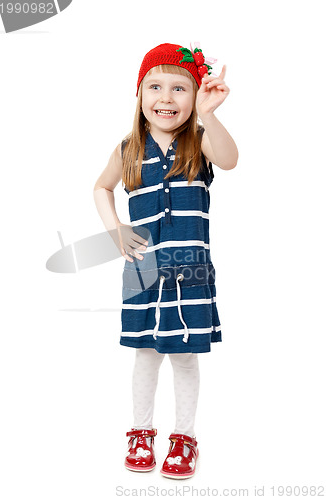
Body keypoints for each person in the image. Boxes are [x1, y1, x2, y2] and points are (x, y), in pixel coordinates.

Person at [93, 42, 238, 479]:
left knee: (185, 356)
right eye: (155, 87)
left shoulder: (200, 141)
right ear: (140, 95)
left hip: (190, 266)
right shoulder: (127, 150)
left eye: (180, 89)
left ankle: (184, 437)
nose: (166, 98)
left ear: (195, 96)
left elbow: (230, 160)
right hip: (143, 269)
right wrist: (115, 228)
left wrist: (210, 114)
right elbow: (100, 188)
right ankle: (140, 432)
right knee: (144, 353)